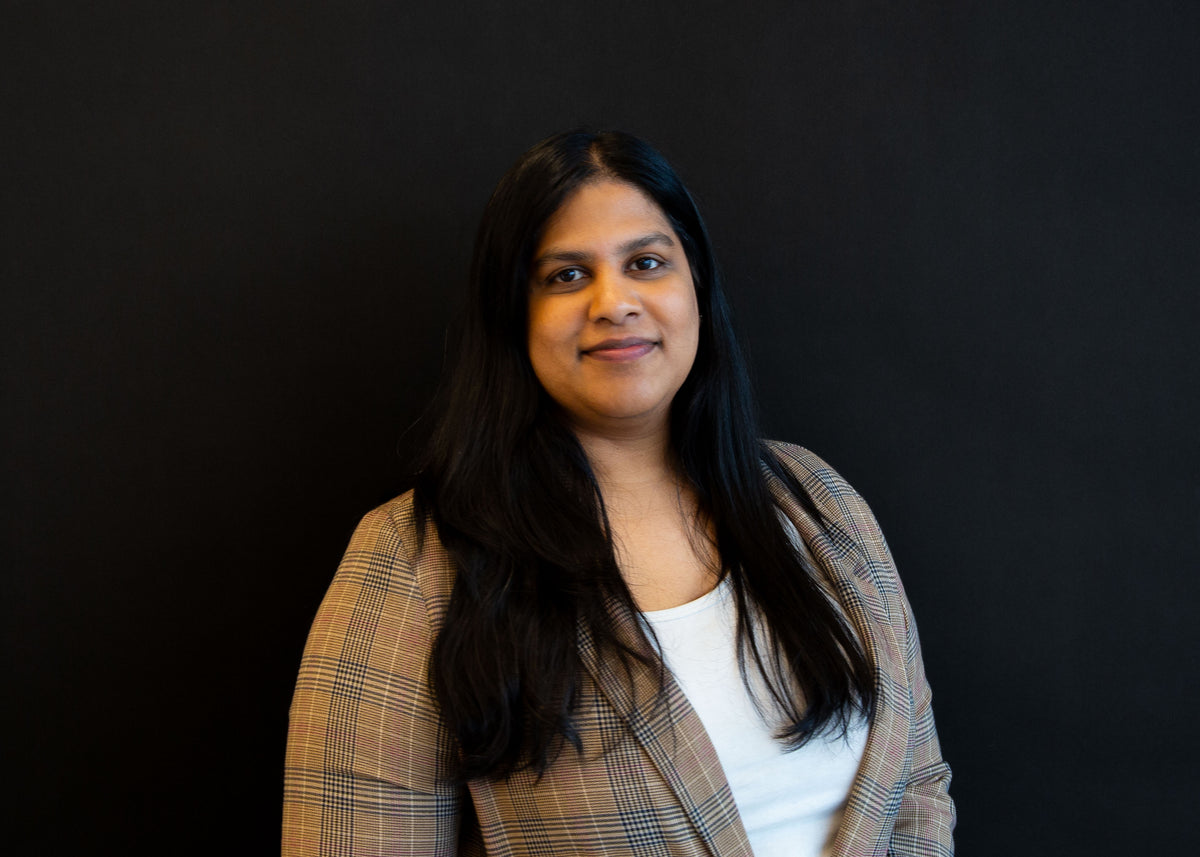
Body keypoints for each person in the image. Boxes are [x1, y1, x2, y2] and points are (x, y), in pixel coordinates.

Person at [283, 130, 955, 856]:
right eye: (567, 276)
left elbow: (916, 789)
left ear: (695, 284)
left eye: (646, 262)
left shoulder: (820, 504)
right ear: (515, 315)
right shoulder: (414, 558)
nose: (615, 302)